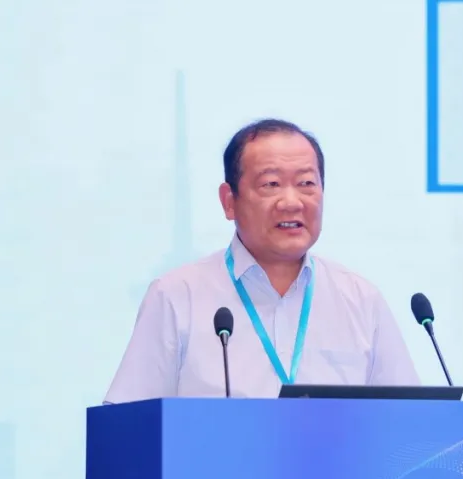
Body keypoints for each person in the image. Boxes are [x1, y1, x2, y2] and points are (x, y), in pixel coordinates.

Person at [103, 118, 420, 403]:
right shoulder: (176, 296)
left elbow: (412, 423)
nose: (291, 202)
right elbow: (127, 426)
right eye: (271, 184)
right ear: (229, 201)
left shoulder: (361, 300)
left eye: (306, 184)